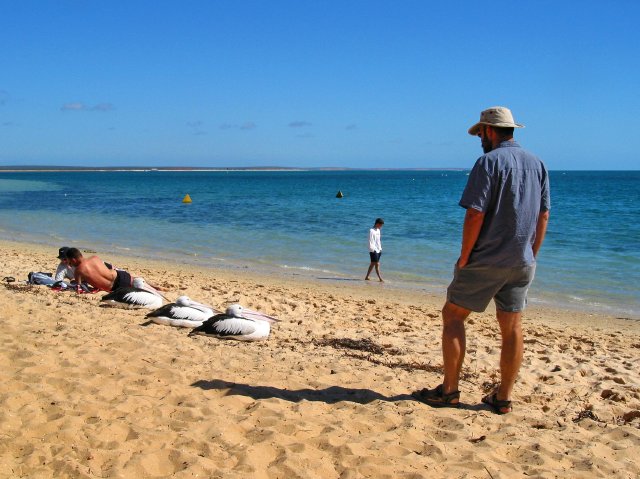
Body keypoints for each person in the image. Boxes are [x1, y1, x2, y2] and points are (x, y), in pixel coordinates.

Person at [413, 106, 550, 414]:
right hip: (522, 260)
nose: (479, 140)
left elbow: (475, 213)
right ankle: (503, 397)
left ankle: (449, 391)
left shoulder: (488, 162)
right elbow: (543, 215)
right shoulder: (537, 163)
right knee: (512, 326)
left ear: (489, 131)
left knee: (453, 316)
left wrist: (464, 257)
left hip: (487, 258)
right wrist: (532, 254)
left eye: (480, 134)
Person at [65, 248, 165, 292]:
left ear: (74, 259)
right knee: (135, 279)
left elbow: (79, 288)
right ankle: (155, 286)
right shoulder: (95, 258)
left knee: (138, 286)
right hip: (120, 275)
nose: (70, 264)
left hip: (115, 288)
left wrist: (73, 281)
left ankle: (153, 289)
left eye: (70, 262)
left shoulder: (78, 271)